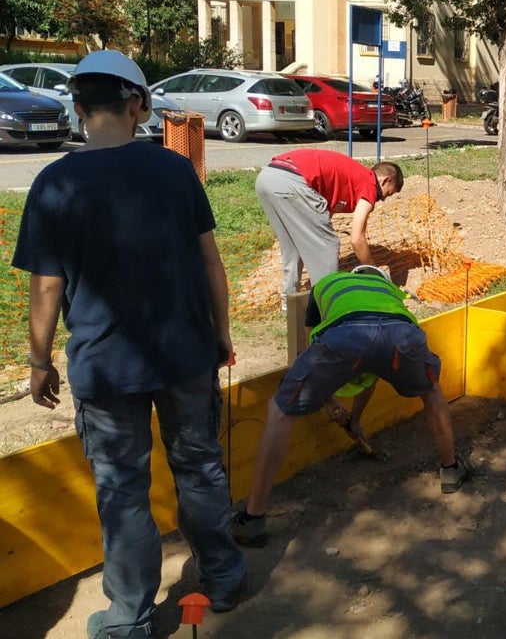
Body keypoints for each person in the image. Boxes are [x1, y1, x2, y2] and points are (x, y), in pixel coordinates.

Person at [12, 51, 246, 639]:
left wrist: (40, 361)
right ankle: (223, 577)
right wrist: (221, 334)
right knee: (199, 469)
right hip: (186, 353)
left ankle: (129, 618)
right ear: (138, 103)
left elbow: (46, 284)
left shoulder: (54, 182)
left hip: (105, 366)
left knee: (122, 490)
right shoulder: (174, 171)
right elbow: (210, 262)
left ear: (80, 106)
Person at [232, 266, 469, 547]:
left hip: (345, 336)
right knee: (431, 391)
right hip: (403, 337)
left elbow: (312, 351)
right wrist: (348, 414)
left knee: (279, 411)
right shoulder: (389, 291)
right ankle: (451, 469)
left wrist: (330, 402)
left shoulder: (325, 284)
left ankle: (254, 517)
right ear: (378, 280)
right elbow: (377, 361)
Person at [255, 148, 403, 306]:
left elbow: (322, 217)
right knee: (328, 245)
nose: (384, 199)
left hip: (267, 178)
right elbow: (357, 239)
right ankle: (327, 306)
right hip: (293, 181)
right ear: (385, 180)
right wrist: (375, 273)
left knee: (293, 246)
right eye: (389, 193)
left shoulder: (350, 178)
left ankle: (289, 305)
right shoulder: (369, 183)